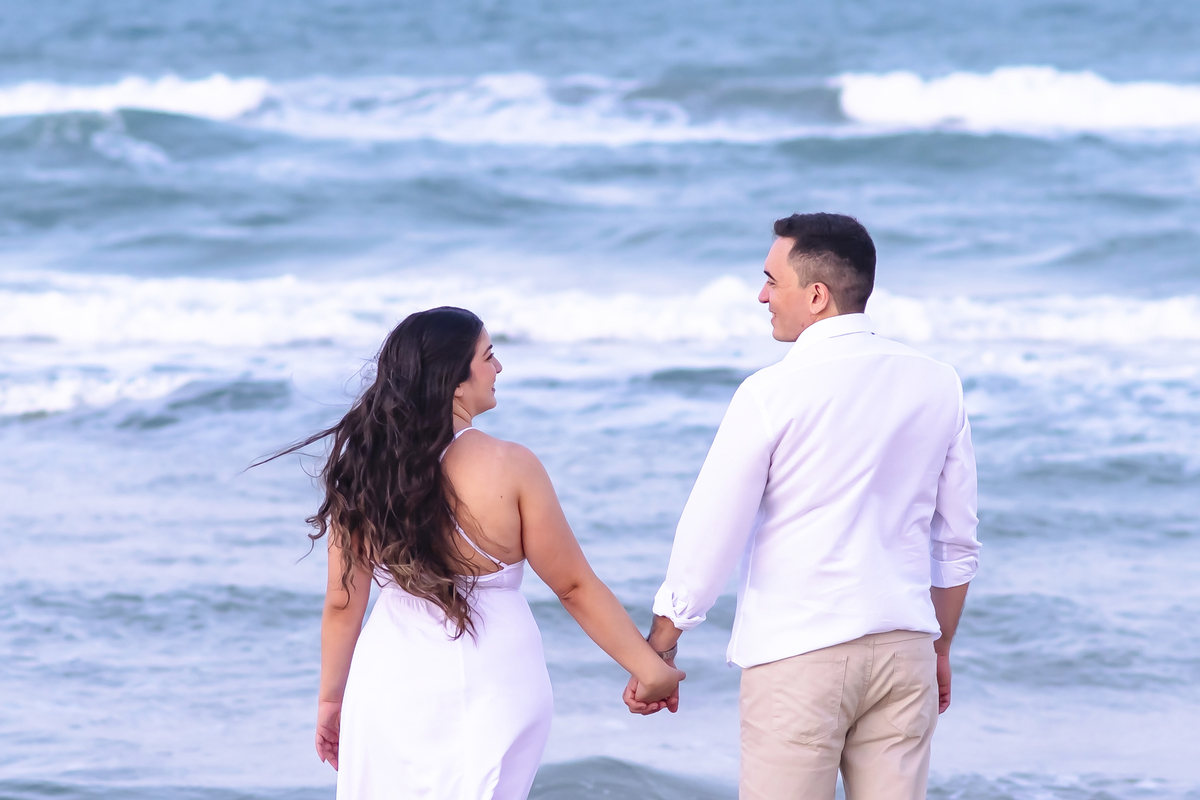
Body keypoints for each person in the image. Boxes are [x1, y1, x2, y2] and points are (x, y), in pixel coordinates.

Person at [624, 213, 980, 800]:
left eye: (771, 281)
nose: (762, 295)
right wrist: (939, 646)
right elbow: (957, 542)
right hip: (905, 650)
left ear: (816, 295)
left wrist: (661, 645)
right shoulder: (938, 382)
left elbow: (712, 533)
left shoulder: (770, 393)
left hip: (799, 655)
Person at [271, 307, 683, 800]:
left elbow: (343, 604)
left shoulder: (363, 466)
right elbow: (573, 587)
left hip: (390, 684)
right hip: (497, 680)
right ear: (455, 382)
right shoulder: (511, 466)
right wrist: (648, 667)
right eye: (488, 356)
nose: (499, 368)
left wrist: (329, 700)